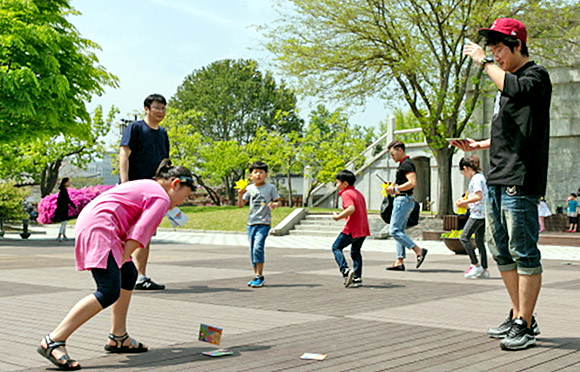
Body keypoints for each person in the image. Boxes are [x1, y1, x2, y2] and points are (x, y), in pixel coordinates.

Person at [36, 159, 195, 370]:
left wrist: (123, 259)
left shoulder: (147, 186)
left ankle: (118, 337)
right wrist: (122, 256)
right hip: (102, 228)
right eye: (186, 195)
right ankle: (54, 339)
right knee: (108, 291)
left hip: (95, 224)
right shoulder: (161, 197)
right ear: (175, 183)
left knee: (128, 275)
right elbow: (140, 234)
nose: (183, 201)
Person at [459, 17, 551, 350]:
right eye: (492, 51)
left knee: (523, 251)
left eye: (499, 49)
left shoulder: (535, 77)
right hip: (497, 176)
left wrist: (482, 61)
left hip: (520, 178)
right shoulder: (508, 83)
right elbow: (509, 130)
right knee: (501, 251)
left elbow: (514, 89)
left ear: (516, 45)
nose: (495, 56)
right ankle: (519, 314)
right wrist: (479, 145)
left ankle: (524, 324)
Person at [119, 93, 170, 290]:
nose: (160, 112)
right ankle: (121, 272)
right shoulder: (136, 128)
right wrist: (125, 183)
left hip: (154, 191)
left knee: (145, 233)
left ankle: (140, 276)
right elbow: (124, 153)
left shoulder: (163, 134)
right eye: (156, 107)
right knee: (127, 232)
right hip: (133, 190)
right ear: (147, 109)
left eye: (163, 108)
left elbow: (165, 163)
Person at [384, 140, 427, 271]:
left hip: (403, 200)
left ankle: (418, 250)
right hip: (405, 200)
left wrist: (395, 189)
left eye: (392, 153)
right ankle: (399, 261)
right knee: (399, 231)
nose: (392, 157)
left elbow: (412, 182)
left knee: (394, 231)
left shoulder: (407, 164)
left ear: (400, 150)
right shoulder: (404, 164)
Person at [237, 161, 281, 288]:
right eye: (255, 172)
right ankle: (256, 275)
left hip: (264, 223)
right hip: (251, 223)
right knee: (252, 251)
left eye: (261, 172)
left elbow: (278, 201)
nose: (258, 175)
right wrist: (240, 195)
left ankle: (260, 276)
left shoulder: (270, 188)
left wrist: (274, 204)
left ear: (266, 174)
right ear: (251, 175)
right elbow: (241, 205)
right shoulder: (249, 189)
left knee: (258, 247)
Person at [331, 170, 370, 288]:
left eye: (337, 182)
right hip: (363, 228)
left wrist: (338, 217)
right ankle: (357, 277)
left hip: (352, 228)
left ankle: (345, 271)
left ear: (345, 184)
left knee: (336, 247)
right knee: (355, 252)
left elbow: (351, 208)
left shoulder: (346, 193)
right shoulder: (358, 193)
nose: (336, 185)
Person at [455, 155, 489, 279]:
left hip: (477, 214)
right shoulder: (481, 177)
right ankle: (484, 269)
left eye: (463, 172)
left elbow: (478, 196)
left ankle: (475, 264)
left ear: (466, 168)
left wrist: (463, 203)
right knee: (480, 241)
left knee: (464, 237)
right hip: (483, 213)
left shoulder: (475, 179)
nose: (464, 174)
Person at [54, 178, 76, 242]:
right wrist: (74, 206)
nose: (69, 183)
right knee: (64, 222)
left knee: (64, 222)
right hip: (63, 209)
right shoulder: (63, 191)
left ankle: (64, 235)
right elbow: (67, 200)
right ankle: (59, 235)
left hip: (63, 208)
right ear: (64, 183)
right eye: (68, 182)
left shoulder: (63, 190)